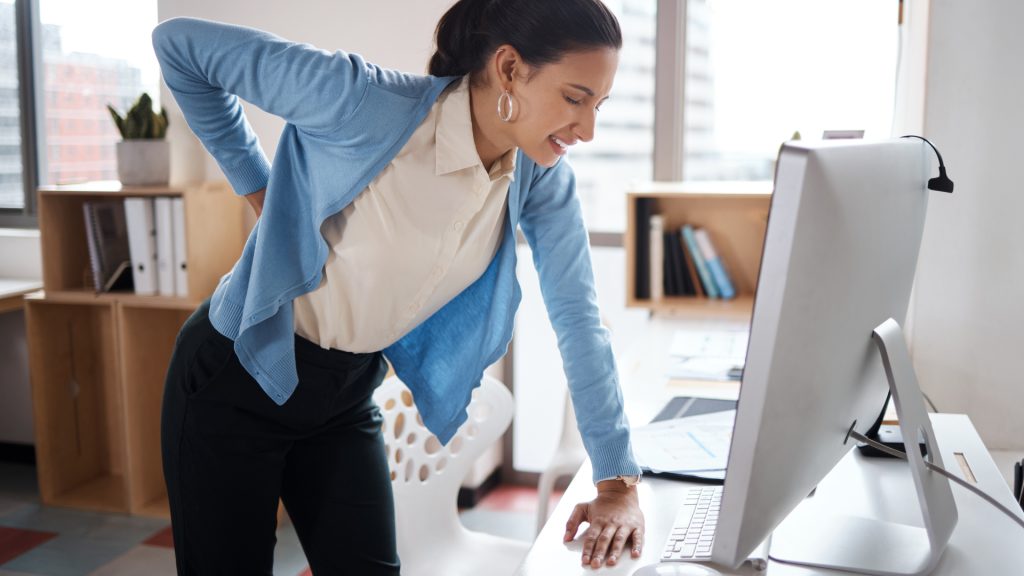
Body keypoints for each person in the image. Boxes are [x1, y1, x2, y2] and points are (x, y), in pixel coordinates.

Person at [153, 0, 643, 573]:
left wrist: (616, 481)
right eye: (574, 98)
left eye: (599, 105)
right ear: (509, 68)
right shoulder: (364, 101)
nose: (587, 129)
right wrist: (259, 188)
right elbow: (179, 46)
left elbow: (579, 320)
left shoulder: (540, 178)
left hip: (343, 393)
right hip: (235, 378)